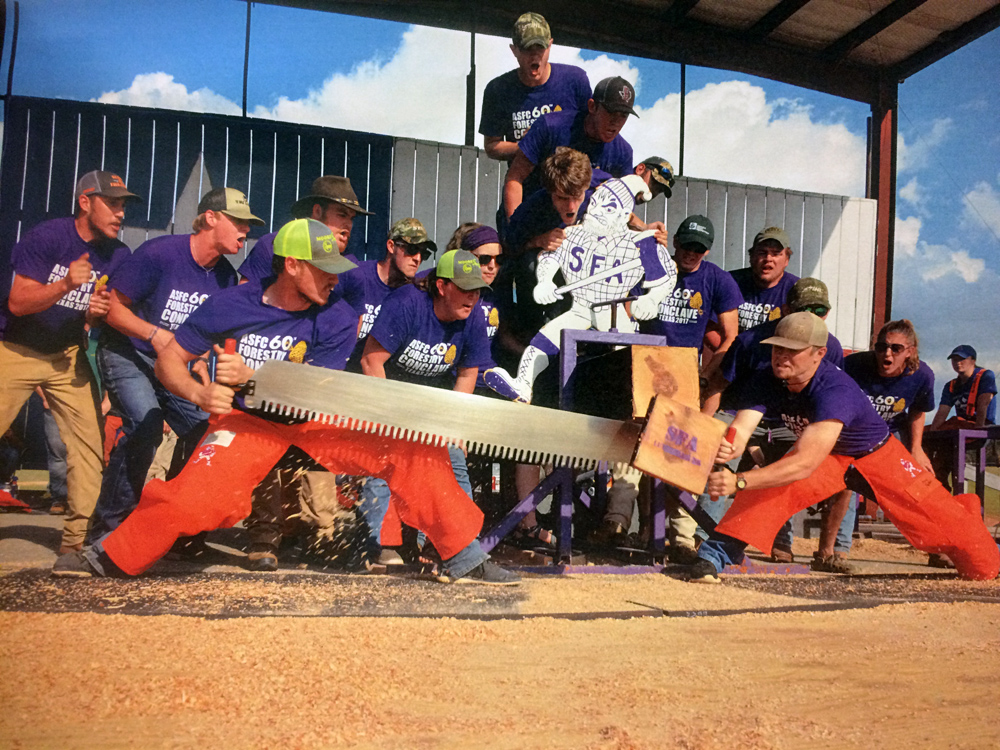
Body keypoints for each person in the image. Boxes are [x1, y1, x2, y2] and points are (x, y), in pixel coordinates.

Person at [53, 219, 519, 586]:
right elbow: (172, 358)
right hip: (250, 424)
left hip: (314, 421)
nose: (335, 282)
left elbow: (314, 389)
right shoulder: (231, 305)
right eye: (324, 271)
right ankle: (112, 556)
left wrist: (253, 377)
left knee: (414, 447)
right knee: (195, 498)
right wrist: (198, 392)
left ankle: (463, 554)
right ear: (292, 265)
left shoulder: (337, 316)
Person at [688, 312, 1000, 584]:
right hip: (831, 456)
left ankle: (978, 533)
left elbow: (804, 462)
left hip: (876, 455)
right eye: (777, 348)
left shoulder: (835, 391)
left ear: (818, 353)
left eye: (793, 350)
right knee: (769, 490)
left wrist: (739, 481)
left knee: (970, 554)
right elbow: (743, 427)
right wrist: (728, 450)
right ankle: (713, 556)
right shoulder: (768, 376)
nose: (781, 356)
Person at [86, 187, 261, 543]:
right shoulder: (160, 253)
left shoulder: (225, 277)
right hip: (128, 352)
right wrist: (155, 335)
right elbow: (112, 309)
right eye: (238, 222)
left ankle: (178, 531)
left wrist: (200, 361)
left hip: (174, 363)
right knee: (146, 424)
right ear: (210, 218)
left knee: (204, 435)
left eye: (248, 224)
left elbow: (211, 335)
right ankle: (108, 531)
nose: (246, 231)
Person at [0, 170, 140, 554]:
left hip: (67, 354)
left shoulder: (119, 254)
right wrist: (65, 285)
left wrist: (95, 313)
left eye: (124, 205)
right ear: (84, 202)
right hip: (15, 349)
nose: (120, 213)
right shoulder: (47, 237)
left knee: (89, 447)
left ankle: (74, 543)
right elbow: (17, 303)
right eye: (112, 203)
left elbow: (96, 315)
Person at [705, 277, 846, 567]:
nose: (811, 317)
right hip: (744, 412)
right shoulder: (750, 340)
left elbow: (825, 400)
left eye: (819, 311)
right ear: (785, 309)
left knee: (794, 461)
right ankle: (703, 532)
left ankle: (780, 539)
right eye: (802, 309)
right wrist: (704, 424)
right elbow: (720, 385)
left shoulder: (830, 346)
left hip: (789, 419)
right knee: (716, 449)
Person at [844, 319, 938, 566]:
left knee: (912, 486)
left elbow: (918, 410)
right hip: (854, 432)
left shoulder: (922, 375)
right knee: (843, 485)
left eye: (896, 348)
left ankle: (937, 546)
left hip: (891, 434)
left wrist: (916, 448)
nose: (887, 353)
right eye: (881, 347)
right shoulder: (854, 365)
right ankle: (838, 550)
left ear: (910, 351)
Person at [502, 75, 637, 220]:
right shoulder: (550, 126)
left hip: (576, 231)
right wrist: (515, 228)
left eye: (623, 115)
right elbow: (515, 178)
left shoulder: (623, 153)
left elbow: (622, 206)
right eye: (610, 112)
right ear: (592, 106)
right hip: (530, 220)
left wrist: (646, 228)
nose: (615, 122)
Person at [636, 214, 742, 380]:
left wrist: (706, 376)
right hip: (645, 359)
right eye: (687, 245)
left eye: (698, 248)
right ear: (675, 241)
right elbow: (626, 312)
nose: (691, 253)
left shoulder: (718, 279)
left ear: (707, 250)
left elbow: (731, 337)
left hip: (685, 366)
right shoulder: (650, 268)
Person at [478, 11, 591, 163]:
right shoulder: (497, 90)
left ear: (550, 45)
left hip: (571, 180)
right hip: (525, 181)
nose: (535, 55)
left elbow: (594, 132)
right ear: (514, 50)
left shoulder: (576, 80)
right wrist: (527, 147)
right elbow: (491, 146)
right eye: (527, 48)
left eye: (540, 47)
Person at [237, 175, 372, 287]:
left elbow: (355, 318)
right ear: (317, 212)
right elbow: (242, 299)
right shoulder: (272, 245)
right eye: (342, 215)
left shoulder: (350, 268)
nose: (348, 224)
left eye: (352, 218)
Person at [926, 344, 997, 493]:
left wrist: (978, 429)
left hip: (980, 425)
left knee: (949, 444)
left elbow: (984, 402)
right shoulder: (951, 385)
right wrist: (932, 433)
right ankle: (934, 483)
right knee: (923, 435)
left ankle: (943, 486)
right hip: (958, 427)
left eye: (962, 359)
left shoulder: (985, 376)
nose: (958, 363)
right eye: (954, 359)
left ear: (973, 360)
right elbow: (942, 412)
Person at [729, 226, 799, 332]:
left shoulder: (796, 290)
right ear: (751, 256)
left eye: (775, 254)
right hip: (733, 347)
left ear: (786, 260)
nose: (768, 259)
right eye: (762, 253)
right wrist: (736, 348)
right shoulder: (730, 282)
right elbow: (710, 327)